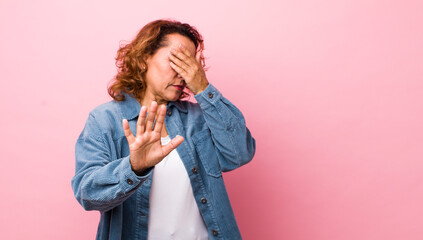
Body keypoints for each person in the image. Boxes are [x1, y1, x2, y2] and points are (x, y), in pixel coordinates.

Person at [71, 19, 256, 240]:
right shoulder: (104, 121)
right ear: (143, 59)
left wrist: (203, 88)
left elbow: (239, 154)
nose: (183, 74)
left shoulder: (198, 118)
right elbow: (88, 194)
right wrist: (134, 168)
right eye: (176, 60)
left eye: (190, 65)